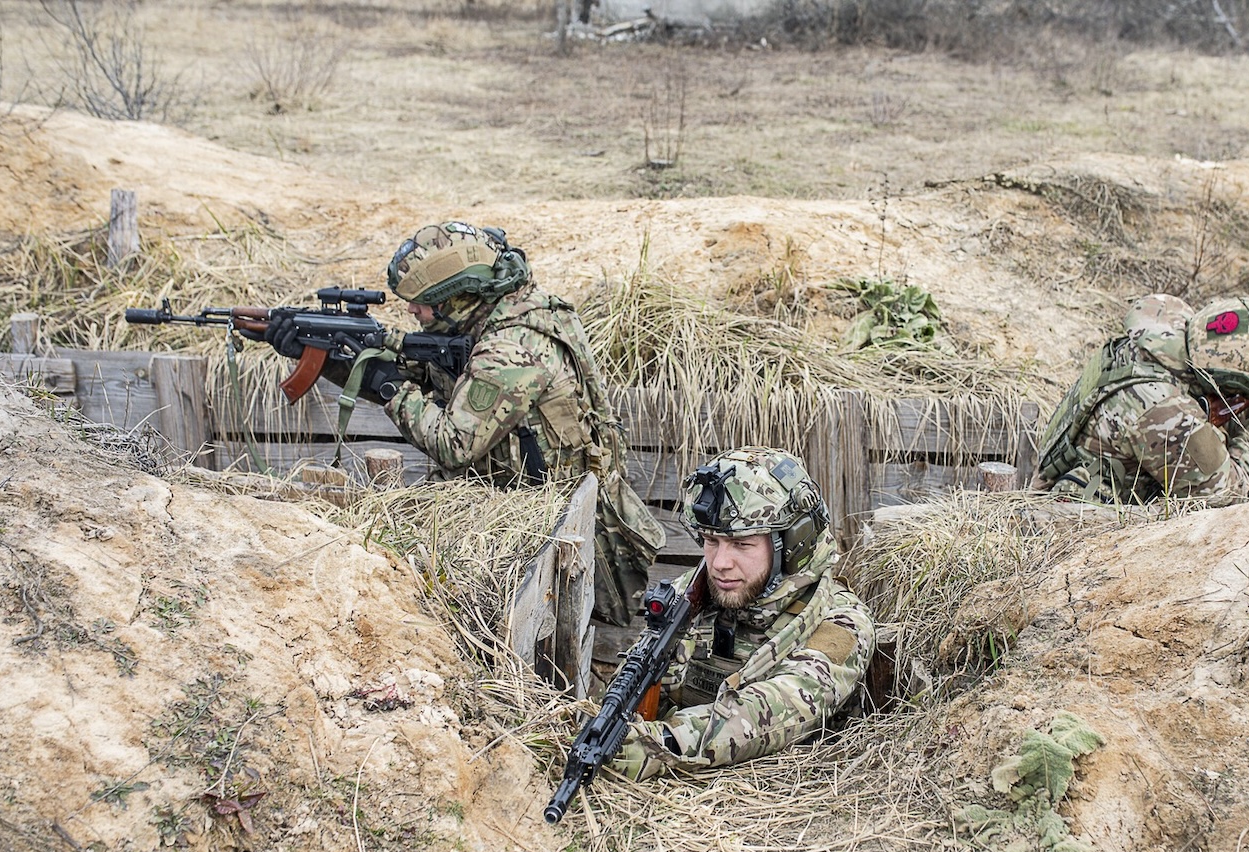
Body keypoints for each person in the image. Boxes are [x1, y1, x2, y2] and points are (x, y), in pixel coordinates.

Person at [372, 221, 664, 626]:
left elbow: (454, 444)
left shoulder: (511, 346)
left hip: (554, 539)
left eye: (421, 301)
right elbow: (454, 373)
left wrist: (386, 388)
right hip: (540, 516)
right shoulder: (521, 309)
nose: (411, 310)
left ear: (455, 296)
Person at [611, 446, 876, 781]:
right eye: (710, 540)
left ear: (791, 545)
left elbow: (781, 706)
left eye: (742, 544)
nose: (720, 563)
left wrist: (664, 743)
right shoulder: (688, 596)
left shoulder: (841, 623)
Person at [1033, 294, 1249, 506]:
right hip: (1084, 520)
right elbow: (1230, 495)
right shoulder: (1165, 411)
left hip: (1066, 468)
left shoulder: (1158, 332)